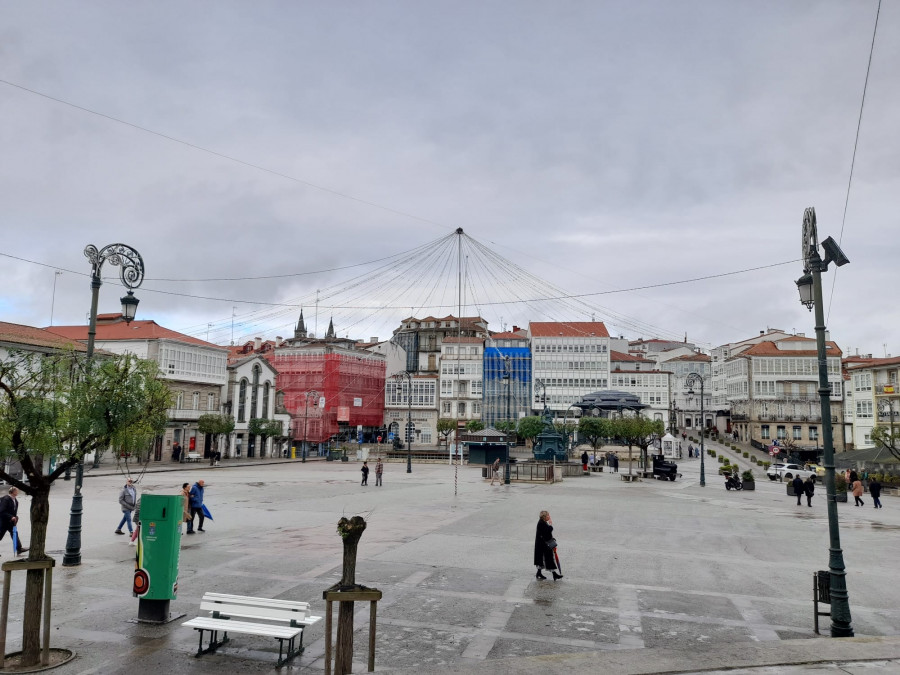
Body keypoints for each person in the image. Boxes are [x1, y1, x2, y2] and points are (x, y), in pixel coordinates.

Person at [533, 510, 562, 581]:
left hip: (542, 544)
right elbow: (548, 531)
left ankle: (539, 573)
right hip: (543, 545)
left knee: (542, 559)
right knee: (548, 558)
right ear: (544, 517)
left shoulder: (542, 522)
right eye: (548, 515)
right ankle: (554, 574)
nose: (549, 516)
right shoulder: (542, 523)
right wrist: (551, 525)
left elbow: (545, 533)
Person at [0, 487, 28, 555]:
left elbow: (13, 511)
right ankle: (19, 548)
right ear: (12, 492)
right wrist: (11, 517)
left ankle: (19, 548)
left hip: (11, 522)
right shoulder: (6, 499)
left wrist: (15, 517)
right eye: (16, 491)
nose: (18, 492)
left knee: (14, 533)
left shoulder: (15, 500)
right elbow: (1, 511)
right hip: (4, 521)